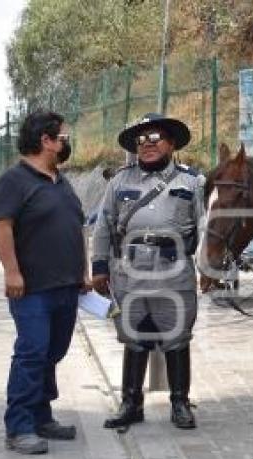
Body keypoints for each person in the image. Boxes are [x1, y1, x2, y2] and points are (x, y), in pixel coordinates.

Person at [91, 113, 205, 430]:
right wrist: (99, 266)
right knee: (134, 337)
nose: (147, 145)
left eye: (155, 138)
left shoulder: (190, 181)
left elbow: (205, 226)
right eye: (141, 140)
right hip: (130, 273)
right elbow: (103, 226)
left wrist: (209, 267)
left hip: (174, 271)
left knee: (177, 336)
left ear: (170, 144)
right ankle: (131, 404)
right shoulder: (120, 182)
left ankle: (180, 404)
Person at [0, 109, 86, 454]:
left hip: (66, 284)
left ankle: (42, 417)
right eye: (63, 136)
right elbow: (1, 227)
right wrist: (12, 272)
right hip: (31, 288)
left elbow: (76, 228)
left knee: (52, 353)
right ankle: (18, 427)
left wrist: (83, 272)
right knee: (32, 353)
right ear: (45, 141)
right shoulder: (13, 181)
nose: (67, 142)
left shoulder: (61, 181)